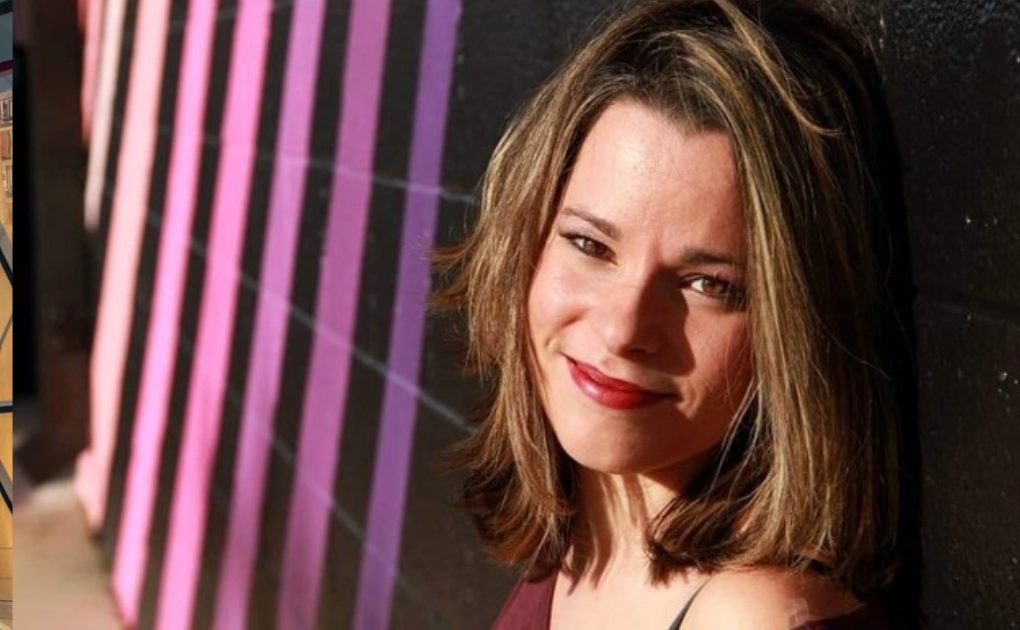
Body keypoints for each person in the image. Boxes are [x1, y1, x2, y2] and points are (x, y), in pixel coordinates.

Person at [434, 0, 904, 627]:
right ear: (526, 244)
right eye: (590, 245)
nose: (623, 329)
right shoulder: (589, 526)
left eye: (709, 284)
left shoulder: (752, 616)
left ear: (793, 330)